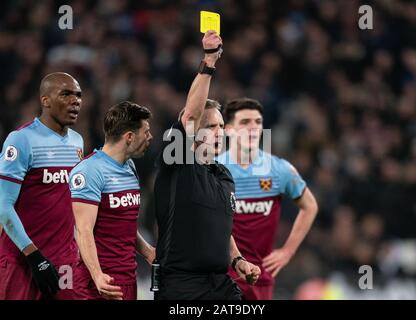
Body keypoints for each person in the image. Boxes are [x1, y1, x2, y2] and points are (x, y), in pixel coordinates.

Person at [153, 31, 261, 300]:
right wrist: (210, 60)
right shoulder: (178, 161)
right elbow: (190, 114)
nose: (219, 132)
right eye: (210, 126)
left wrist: (238, 261)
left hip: (221, 283)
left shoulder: (223, 175)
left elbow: (220, 228)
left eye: (222, 127)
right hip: (181, 286)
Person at [216, 97, 319, 300]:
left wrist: (287, 251)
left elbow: (310, 206)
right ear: (228, 129)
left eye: (257, 122)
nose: (253, 128)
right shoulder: (214, 169)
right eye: (245, 122)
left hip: (260, 278)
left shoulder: (278, 169)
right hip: (220, 275)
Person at [0, 72, 84, 299]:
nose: (75, 100)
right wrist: (34, 256)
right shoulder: (21, 140)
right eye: (65, 94)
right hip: (23, 259)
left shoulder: (77, 141)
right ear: (45, 100)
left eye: (78, 95)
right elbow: (3, 207)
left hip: (64, 261)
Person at [70, 101, 155, 300]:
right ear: (129, 137)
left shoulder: (129, 167)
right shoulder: (90, 171)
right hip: (98, 284)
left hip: (127, 280)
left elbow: (123, 224)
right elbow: (83, 231)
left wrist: (148, 252)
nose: (150, 137)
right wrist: (98, 276)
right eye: (146, 132)